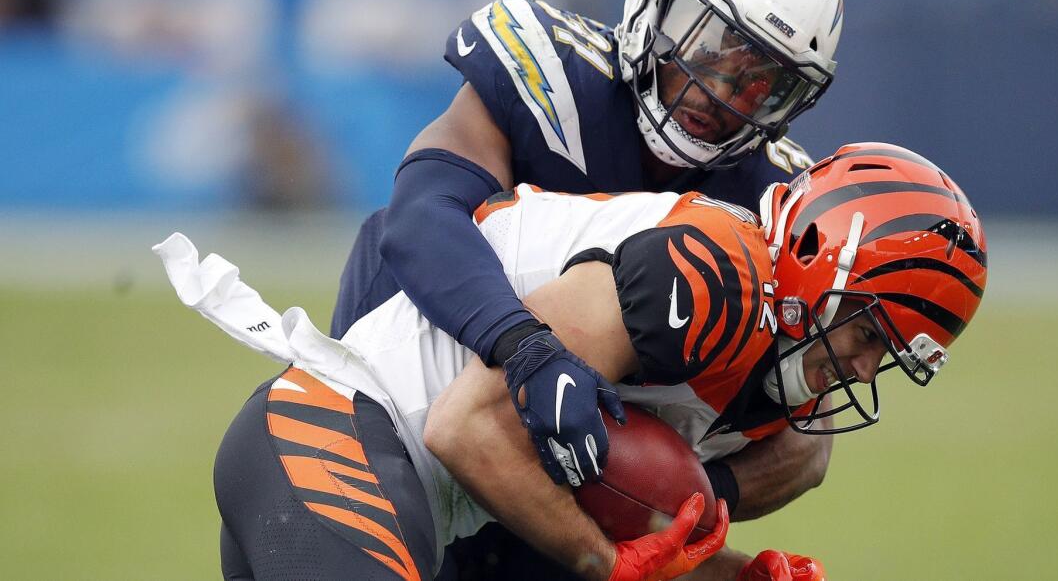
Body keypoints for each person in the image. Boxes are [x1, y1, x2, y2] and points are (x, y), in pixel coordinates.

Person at [156, 142, 989, 581]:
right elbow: (465, 426)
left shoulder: (787, 437)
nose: (864, 367)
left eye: (895, 356)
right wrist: (604, 563)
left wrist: (726, 575)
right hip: (335, 434)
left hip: (396, 496)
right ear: (819, 257)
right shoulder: (713, 274)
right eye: (871, 333)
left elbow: (637, 535)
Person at [329, 0, 845, 533]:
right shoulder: (554, 71)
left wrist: (670, 498)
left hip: (572, 459)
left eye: (761, 82)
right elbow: (417, 216)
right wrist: (524, 346)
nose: (719, 92)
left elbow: (806, 442)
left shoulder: (779, 200)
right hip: (407, 383)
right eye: (708, 45)